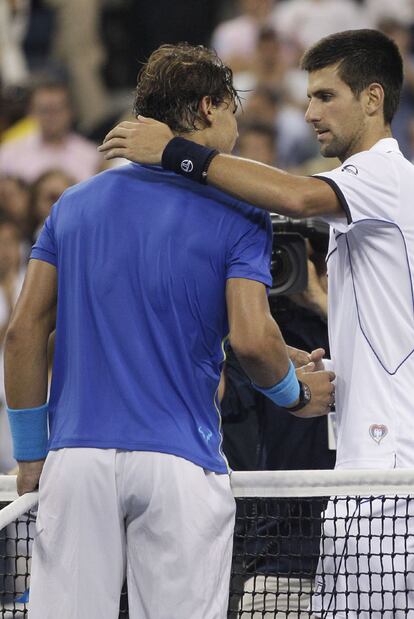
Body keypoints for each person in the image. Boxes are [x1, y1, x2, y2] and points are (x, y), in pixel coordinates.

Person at [4, 43, 334, 619]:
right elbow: (252, 340)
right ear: (209, 108)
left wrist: (32, 455)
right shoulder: (239, 210)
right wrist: (297, 393)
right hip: (179, 465)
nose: (233, 125)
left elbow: (23, 331)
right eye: (232, 110)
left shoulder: (73, 206)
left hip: (76, 461)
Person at [99, 28, 414, 617]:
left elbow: (293, 198)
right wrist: (324, 360)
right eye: (309, 97)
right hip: (369, 467)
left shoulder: (386, 175)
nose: (310, 111)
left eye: (325, 96)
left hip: (388, 477)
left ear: (373, 98)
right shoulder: (372, 196)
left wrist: (175, 152)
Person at [0, 78, 103, 183]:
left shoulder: (91, 155)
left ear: (70, 111)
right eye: (44, 110)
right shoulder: (8, 155)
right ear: (31, 112)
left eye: (57, 109)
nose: (51, 117)